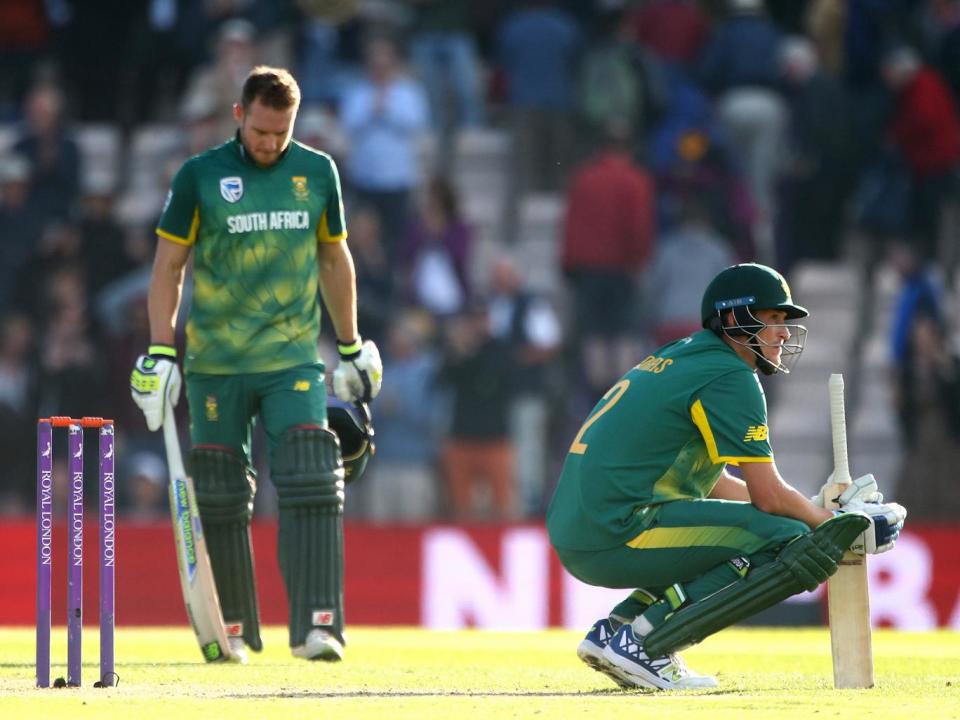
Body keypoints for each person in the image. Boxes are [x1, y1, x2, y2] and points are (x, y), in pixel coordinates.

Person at [546, 262, 907, 690]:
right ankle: (644, 642)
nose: (785, 333)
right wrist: (835, 527)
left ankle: (619, 629)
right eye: (773, 319)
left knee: (769, 527)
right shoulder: (731, 376)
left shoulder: (684, 355)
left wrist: (809, 510)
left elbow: (716, 485)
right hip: (617, 528)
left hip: (582, 525)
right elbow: (769, 498)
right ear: (735, 320)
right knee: (791, 539)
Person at [129, 66, 383, 664]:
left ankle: (319, 626)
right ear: (239, 115)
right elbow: (169, 267)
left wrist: (349, 344)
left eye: (283, 132)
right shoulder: (200, 175)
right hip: (216, 362)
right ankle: (233, 629)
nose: (271, 144)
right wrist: (161, 349)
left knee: (312, 476)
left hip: (292, 358)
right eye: (263, 131)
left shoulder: (317, 172)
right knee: (217, 492)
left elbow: (334, 258)